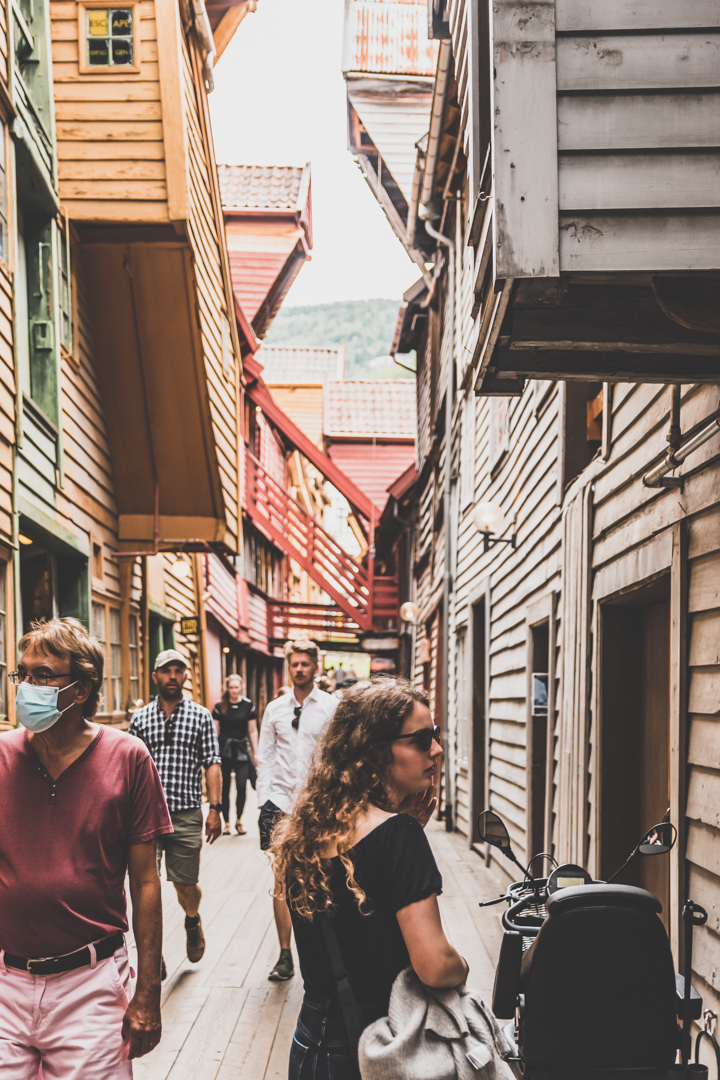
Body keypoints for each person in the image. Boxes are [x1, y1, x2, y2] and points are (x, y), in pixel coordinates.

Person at [0, 617, 172, 1077]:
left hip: (90, 983)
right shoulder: (1, 757)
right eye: (22, 674)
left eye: (42, 675)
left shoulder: (128, 757)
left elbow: (147, 881)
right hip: (6, 981)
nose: (25, 687)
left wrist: (148, 990)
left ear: (80, 689)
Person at [272, 677, 468, 1079]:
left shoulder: (309, 828)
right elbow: (434, 965)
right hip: (378, 1043)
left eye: (435, 735)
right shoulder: (397, 836)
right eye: (420, 740)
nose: (436, 749)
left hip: (312, 1040)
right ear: (376, 752)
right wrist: (460, 965)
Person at [130, 650, 222, 970]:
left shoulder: (200, 716)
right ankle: (153, 954)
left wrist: (215, 808)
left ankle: (192, 920)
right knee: (145, 883)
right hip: (145, 813)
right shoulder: (140, 719)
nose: (172, 676)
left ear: (185, 676)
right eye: (165, 671)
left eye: (177, 670)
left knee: (184, 883)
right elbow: (129, 769)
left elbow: (212, 762)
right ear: (155, 676)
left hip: (185, 811)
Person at [256, 638, 338, 983]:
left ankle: (323, 953)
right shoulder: (274, 709)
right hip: (280, 804)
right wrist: (264, 803)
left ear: (316, 667)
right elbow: (266, 758)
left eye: (305, 663)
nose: (300, 669)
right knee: (281, 880)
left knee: (323, 877)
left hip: (319, 805)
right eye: (295, 664)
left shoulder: (332, 707)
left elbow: (337, 757)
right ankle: (285, 954)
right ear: (288, 667)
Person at [212, 674, 258, 835]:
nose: (233, 690)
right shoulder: (219, 706)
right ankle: (226, 822)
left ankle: (239, 820)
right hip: (224, 750)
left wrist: (256, 752)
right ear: (227, 688)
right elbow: (215, 731)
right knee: (224, 788)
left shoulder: (248, 706)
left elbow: (252, 730)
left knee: (241, 786)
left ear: (241, 688)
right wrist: (214, 753)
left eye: (236, 687)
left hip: (241, 749)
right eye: (231, 687)